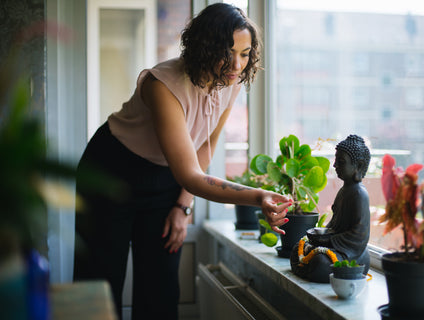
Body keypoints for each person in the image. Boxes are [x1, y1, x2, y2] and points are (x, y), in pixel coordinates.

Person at [73, 3, 291, 319]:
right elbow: (189, 173)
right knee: (100, 285)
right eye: (227, 52)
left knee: (161, 290)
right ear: (205, 46)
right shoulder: (162, 85)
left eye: (244, 54)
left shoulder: (229, 82)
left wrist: (181, 207)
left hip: (166, 177)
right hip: (111, 171)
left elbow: (205, 148)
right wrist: (259, 196)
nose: (236, 64)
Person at [290, 134, 371, 283]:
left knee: (320, 262)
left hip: (352, 252)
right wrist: (321, 236)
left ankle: (310, 270)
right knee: (297, 248)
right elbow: (335, 224)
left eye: (340, 162)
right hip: (336, 246)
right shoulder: (343, 191)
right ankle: (309, 269)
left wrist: (330, 240)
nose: (334, 166)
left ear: (358, 166)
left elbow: (359, 235)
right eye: (335, 160)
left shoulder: (359, 194)